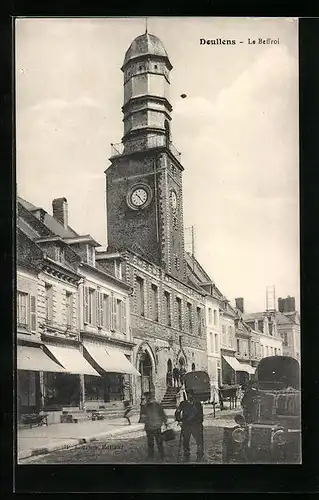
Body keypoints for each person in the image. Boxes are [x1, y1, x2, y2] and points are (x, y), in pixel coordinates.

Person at [175, 388, 204, 462]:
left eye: (191, 395)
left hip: (196, 426)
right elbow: (177, 412)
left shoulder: (198, 404)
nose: (190, 396)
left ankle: (200, 454)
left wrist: (199, 423)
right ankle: (186, 454)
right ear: (187, 395)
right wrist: (179, 420)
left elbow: (201, 415)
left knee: (199, 441)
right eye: (188, 394)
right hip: (186, 425)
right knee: (186, 441)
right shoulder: (183, 404)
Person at [140, 392, 168, 461]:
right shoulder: (144, 407)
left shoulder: (157, 405)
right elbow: (142, 418)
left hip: (156, 427)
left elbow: (162, 414)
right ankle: (152, 456)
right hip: (150, 427)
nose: (147, 398)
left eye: (148, 397)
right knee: (151, 443)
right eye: (146, 397)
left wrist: (165, 422)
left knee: (158, 442)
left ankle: (161, 455)